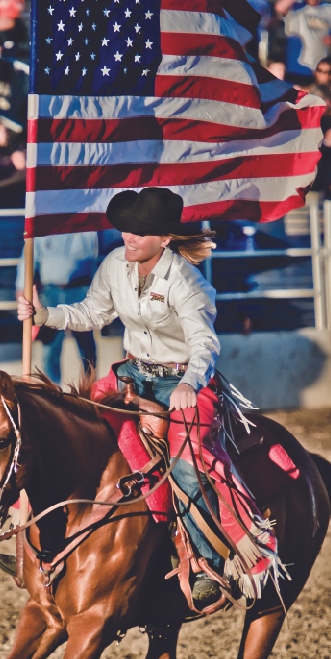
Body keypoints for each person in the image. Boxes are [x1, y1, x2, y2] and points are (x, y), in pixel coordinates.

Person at [17, 187, 280, 610]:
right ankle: (32, 536)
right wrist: (45, 314)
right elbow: (92, 312)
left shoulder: (187, 282)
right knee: (63, 428)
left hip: (184, 381)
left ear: (164, 239)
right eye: (126, 230)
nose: (129, 238)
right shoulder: (114, 265)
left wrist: (190, 384)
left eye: (140, 232)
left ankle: (208, 563)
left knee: (189, 460)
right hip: (132, 375)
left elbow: (204, 345)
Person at [16, 233, 99, 384]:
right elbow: (27, 261)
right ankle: (54, 392)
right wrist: (22, 292)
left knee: (87, 347)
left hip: (81, 291)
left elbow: (101, 259)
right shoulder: (43, 229)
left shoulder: (88, 229)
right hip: (51, 293)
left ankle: (91, 388)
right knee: (50, 348)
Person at [275, 0, 331, 82]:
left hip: (321, 70)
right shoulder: (296, 7)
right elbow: (279, 8)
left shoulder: (329, 10)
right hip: (297, 67)